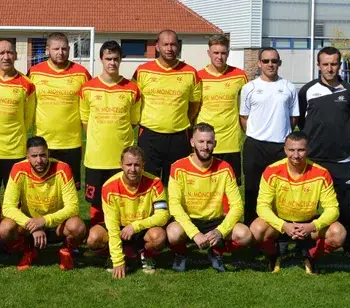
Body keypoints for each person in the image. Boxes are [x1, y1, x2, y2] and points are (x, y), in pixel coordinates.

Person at [298, 46, 350, 262]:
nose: (329, 68)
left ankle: (349, 245)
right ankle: (301, 244)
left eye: (334, 64)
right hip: (313, 159)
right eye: (325, 64)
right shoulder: (307, 91)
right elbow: (302, 122)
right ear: (318, 65)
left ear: (340, 65)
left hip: (340, 159)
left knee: (344, 206)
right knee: (305, 205)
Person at [250, 131, 346, 275]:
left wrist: (312, 226)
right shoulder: (272, 171)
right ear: (285, 150)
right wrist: (283, 225)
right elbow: (262, 206)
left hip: (309, 224)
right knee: (256, 230)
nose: (296, 155)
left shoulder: (321, 173)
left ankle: (310, 255)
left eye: (301, 150)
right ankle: (274, 254)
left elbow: (333, 209)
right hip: (280, 224)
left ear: (308, 149)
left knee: (339, 234)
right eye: (291, 150)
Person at [166, 123, 251, 272]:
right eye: (201, 141)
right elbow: (174, 205)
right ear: (192, 142)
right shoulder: (178, 167)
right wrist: (194, 233)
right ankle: (181, 254)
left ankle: (217, 252)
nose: (205, 146)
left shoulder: (225, 168)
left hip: (215, 221)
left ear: (215, 144)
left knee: (245, 235)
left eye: (209, 142)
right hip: (189, 219)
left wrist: (220, 231)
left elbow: (237, 206)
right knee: (173, 233)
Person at [0, 137, 86, 270]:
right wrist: (33, 226)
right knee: (5, 228)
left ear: (48, 153)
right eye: (34, 156)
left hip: (57, 225)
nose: (39, 160)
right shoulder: (18, 169)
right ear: (27, 156)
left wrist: (44, 220)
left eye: (42, 155)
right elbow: (7, 207)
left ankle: (66, 251)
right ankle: (27, 250)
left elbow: (73, 207)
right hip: (29, 225)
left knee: (77, 226)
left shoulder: (62, 168)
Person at [80, 40, 141, 229]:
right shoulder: (87, 88)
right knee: (97, 203)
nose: (112, 63)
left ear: (121, 60)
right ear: (101, 59)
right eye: (108, 59)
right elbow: (85, 121)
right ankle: (98, 240)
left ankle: (123, 240)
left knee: (123, 201)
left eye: (116, 59)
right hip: (96, 158)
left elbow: (133, 121)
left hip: (122, 159)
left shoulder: (132, 89)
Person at [86, 146, 169, 279]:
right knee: (93, 237)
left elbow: (163, 215)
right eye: (128, 164)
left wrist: (135, 226)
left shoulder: (155, 183)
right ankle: (111, 256)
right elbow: (112, 226)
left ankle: (146, 256)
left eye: (137, 165)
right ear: (121, 165)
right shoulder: (109, 186)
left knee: (158, 236)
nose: (132, 169)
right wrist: (117, 260)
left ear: (143, 165)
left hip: (142, 228)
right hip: (119, 228)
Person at [132, 29, 202, 187]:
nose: (169, 48)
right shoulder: (143, 71)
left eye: (173, 44)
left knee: (176, 184)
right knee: (148, 183)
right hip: (150, 135)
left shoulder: (190, 73)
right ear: (157, 46)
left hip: (178, 137)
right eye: (165, 44)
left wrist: (181, 120)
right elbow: (134, 101)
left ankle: (173, 213)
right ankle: (152, 212)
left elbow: (194, 104)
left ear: (178, 47)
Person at [239, 47, 299, 225]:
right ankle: (252, 230)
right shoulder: (249, 88)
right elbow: (244, 117)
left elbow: (293, 117)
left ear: (279, 63)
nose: (270, 64)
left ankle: (281, 232)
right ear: (259, 63)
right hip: (255, 146)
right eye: (266, 61)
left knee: (280, 192)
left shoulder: (289, 87)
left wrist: (280, 133)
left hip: (280, 147)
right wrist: (257, 134)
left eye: (274, 61)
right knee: (252, 190)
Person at [0, 38, 35, 218]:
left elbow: (28, 118)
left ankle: (13, 237)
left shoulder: (27, 84)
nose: (6, 56)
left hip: (15, 151)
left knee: (15, 197)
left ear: (16, 56)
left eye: (10, 52)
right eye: (1, 53)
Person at [27, 32, 91, 190]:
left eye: (64, 49)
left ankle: (69, 216)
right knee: (43, 187)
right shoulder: (34, 72)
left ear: (69, 50)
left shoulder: (81, 73)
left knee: (70, 189)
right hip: (43, 143)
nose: (60, 52)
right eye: (56, 49)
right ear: (47, 50)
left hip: (72, 143)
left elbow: (91, 102)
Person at [196, 35, 248, 185]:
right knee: (205, 185)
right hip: (205, 141)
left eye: (223, 53)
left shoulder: (240, 76)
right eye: (216, 53)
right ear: (209, 53)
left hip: (230, 141)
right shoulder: (198, 76)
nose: (219, 57)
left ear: (228, 53)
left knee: (230, 186)